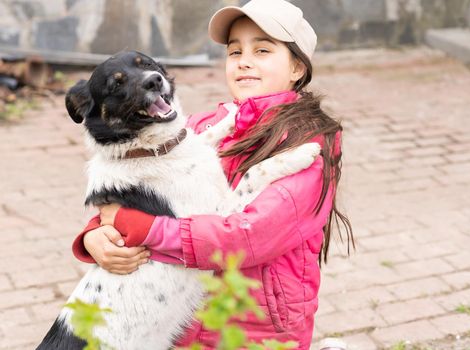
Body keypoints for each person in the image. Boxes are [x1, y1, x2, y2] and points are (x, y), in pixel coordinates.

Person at [71, 0, 352, 348]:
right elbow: (139, 193)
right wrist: (96, 236)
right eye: (235, 52)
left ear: (297, 67)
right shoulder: (202, 126)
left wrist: (146, 229)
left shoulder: (308, 146)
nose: (244, 60)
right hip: (185, 328)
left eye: (262, 50)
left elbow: (245, 237)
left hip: (256, 328)